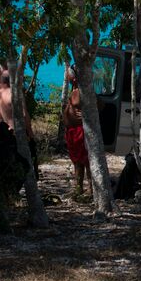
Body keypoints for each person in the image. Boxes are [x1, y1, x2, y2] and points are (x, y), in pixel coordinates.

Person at [0, 70, 35, 195]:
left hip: (0, 138)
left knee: (2, 170)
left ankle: (5, 197)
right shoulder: (15, 94)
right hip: (16, 137)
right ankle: (14, 195)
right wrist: (30, 134)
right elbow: (25, 116)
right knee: (24, 167)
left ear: (1, 82)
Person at [63, 67, 92, 195]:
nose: (67, 79)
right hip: (72, 132)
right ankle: (78, 189)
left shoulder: (84, 91)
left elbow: (99, 104)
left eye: (68, 76)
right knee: (77, 162)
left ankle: (92, 189)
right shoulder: (74, 90)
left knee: (87, 161)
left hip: (80, 131)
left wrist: (85, 114)